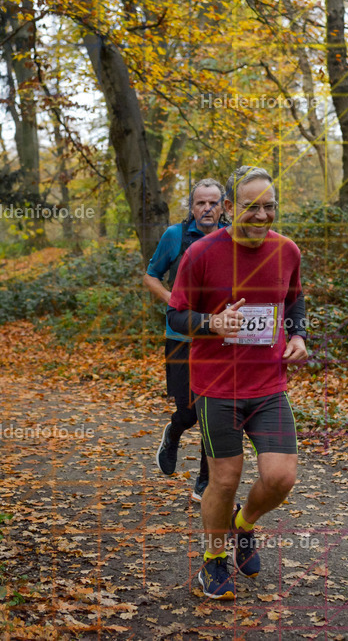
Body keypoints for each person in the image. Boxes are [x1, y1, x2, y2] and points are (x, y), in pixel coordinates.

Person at [167, 165, 308, 600]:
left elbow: (295, 298)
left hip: (268, 384)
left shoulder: (287, 251)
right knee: (224, 480)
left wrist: (300, 334)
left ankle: (243, 526)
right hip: (217, 386)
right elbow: (175, 314)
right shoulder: (201, 253)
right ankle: (212, 562)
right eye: (252, 207)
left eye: (270, 207)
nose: (263, 216)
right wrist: (212, 322)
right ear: (230, 208)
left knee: (282, 477)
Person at [143, 178, 226, 502]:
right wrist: (171, 297)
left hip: (219, 339)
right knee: (189, 413)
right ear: (191, 208)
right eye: (200, 203)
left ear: (224, 206)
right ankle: (174, 431)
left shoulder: (232, 237)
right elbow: (151, 275)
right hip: (181, 337)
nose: (207, 208)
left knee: (213, 412)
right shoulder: (175, 236)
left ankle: (205, 482)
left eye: (213, 202)